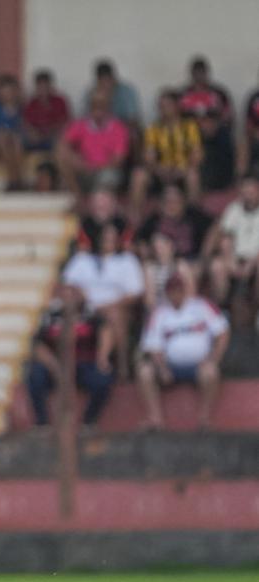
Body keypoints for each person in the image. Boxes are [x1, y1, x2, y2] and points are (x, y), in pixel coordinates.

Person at [137, 274, 229, 430]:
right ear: (166, 293)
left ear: (185, 290)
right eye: (172, 291)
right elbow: (153, 345)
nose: (175, 294)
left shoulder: (202, 306)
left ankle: (204, 419)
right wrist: (162, 368)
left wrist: (213, 359)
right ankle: (155, 419)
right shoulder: (158, 312)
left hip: (200, 364)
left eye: (178, 290)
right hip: (170, 365)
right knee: (145, 372)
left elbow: (222, 333)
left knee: (211, 372)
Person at [62, 225, 144, 378]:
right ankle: (98, 363)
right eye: (105, 236)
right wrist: (84, 298)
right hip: (85, 307)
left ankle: (120, 365)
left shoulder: (127, 261)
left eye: (112, 237)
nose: (109, 240)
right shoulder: (82, 259)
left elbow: (135, 294)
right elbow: (68, 285)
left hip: (116, 308)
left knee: (113, 316)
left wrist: (107, 306)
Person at [26, 287, 114, 428]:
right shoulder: (50, 316)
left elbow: (106, 330)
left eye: (73, 295)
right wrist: (54, 366)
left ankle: (89, 421)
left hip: (85, 363)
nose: (70, 299)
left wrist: (102, 357)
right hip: (55, 365)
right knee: (35, 375)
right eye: (65, 295)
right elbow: (37, 344)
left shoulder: (90, 315)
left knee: (102, 379)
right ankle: (42, 422)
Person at [130, 90, 202, 215]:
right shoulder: (153, 129)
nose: (163, 109)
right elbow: (148, 156)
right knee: (138, 175)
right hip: (159, 172)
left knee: (193, 175)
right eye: (160, 106)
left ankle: (193, 215)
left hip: (182, 172)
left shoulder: (189, 127)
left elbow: (196, 154)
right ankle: (135, 216)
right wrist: (158, 169)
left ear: (177, 106)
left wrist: (183, 169)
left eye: (167, 105)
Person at [203, 174, 259, 314]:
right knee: (217, 266)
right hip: (236, 258)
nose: (248, 195)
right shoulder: (234, 209)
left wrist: (252, 263)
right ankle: (222, 311)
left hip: (256, 259)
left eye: (251, 191)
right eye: (245, 192)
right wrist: (230, 261)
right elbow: (226, 239)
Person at [57, 90, 130, 196]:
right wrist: (75, 160)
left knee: (108, 177)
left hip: (106, 171)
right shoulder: (80, 124)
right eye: (94, 103)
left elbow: (117, 161)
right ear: (90, 106)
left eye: (102, 103)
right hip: (83, 171)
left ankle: (98, 206)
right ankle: (78, 199)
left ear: (108, 106)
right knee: (62, 159)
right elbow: (62, 146)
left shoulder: (119, 128)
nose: (98, 107)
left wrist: (93, 168)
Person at [22, 69, 71, 152]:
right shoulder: (31, 103)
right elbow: (26, 123)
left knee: (62, 139)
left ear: (50, 86)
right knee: (22, 139)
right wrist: (33, 132)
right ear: (36, 87)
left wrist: (52, 131)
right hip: (36, 136)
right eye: (40, 86)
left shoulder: (60, 101)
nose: (43, 90)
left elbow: (66, 121)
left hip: (54, 135)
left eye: (45, 86)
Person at [84, 59, 141, 127]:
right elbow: (84, 118)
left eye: (108, 80)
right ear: (98, 80)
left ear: (113, 78)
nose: (106, 85)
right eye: (102, 82)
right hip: (99, 130)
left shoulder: (126, 91)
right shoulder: (91, 93)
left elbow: (133, 118)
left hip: (124, 128)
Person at [179, 56, 232, 129]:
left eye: (201, 72)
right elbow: (176, 117)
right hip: (188, 131)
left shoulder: (219, 93)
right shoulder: (183, 94)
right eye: (196, 72)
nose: (199, 76)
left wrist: (214, 125)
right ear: (191, 73)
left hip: (214, 131)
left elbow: (227, 117)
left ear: (207, 73)